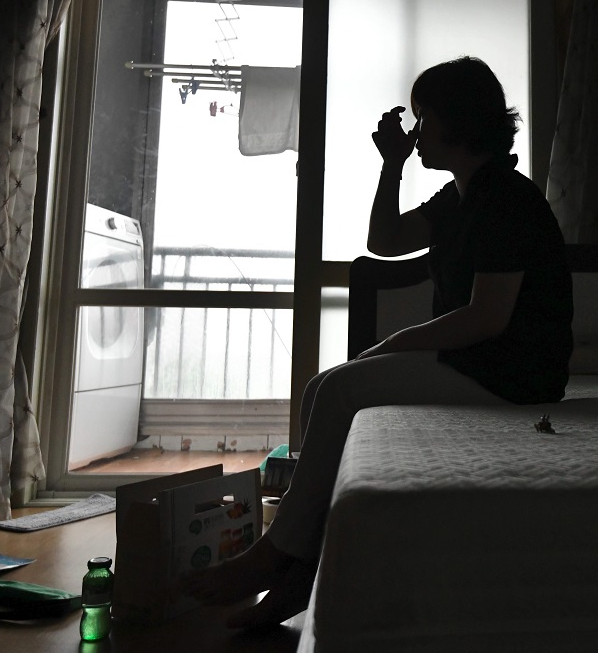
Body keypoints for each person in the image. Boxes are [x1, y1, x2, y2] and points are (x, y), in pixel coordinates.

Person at [184, 56, 574, 628]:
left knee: (339, 389)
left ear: (455, 121)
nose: (415, 133)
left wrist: (394, 344)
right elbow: (384, 240)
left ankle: (275, 561)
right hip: (476, 363)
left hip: (511, 374)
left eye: (423, 118)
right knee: (323, 386)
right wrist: (392, 166)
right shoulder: (459, 197)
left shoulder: (506, 199)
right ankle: (296, 570)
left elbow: (487, 319)